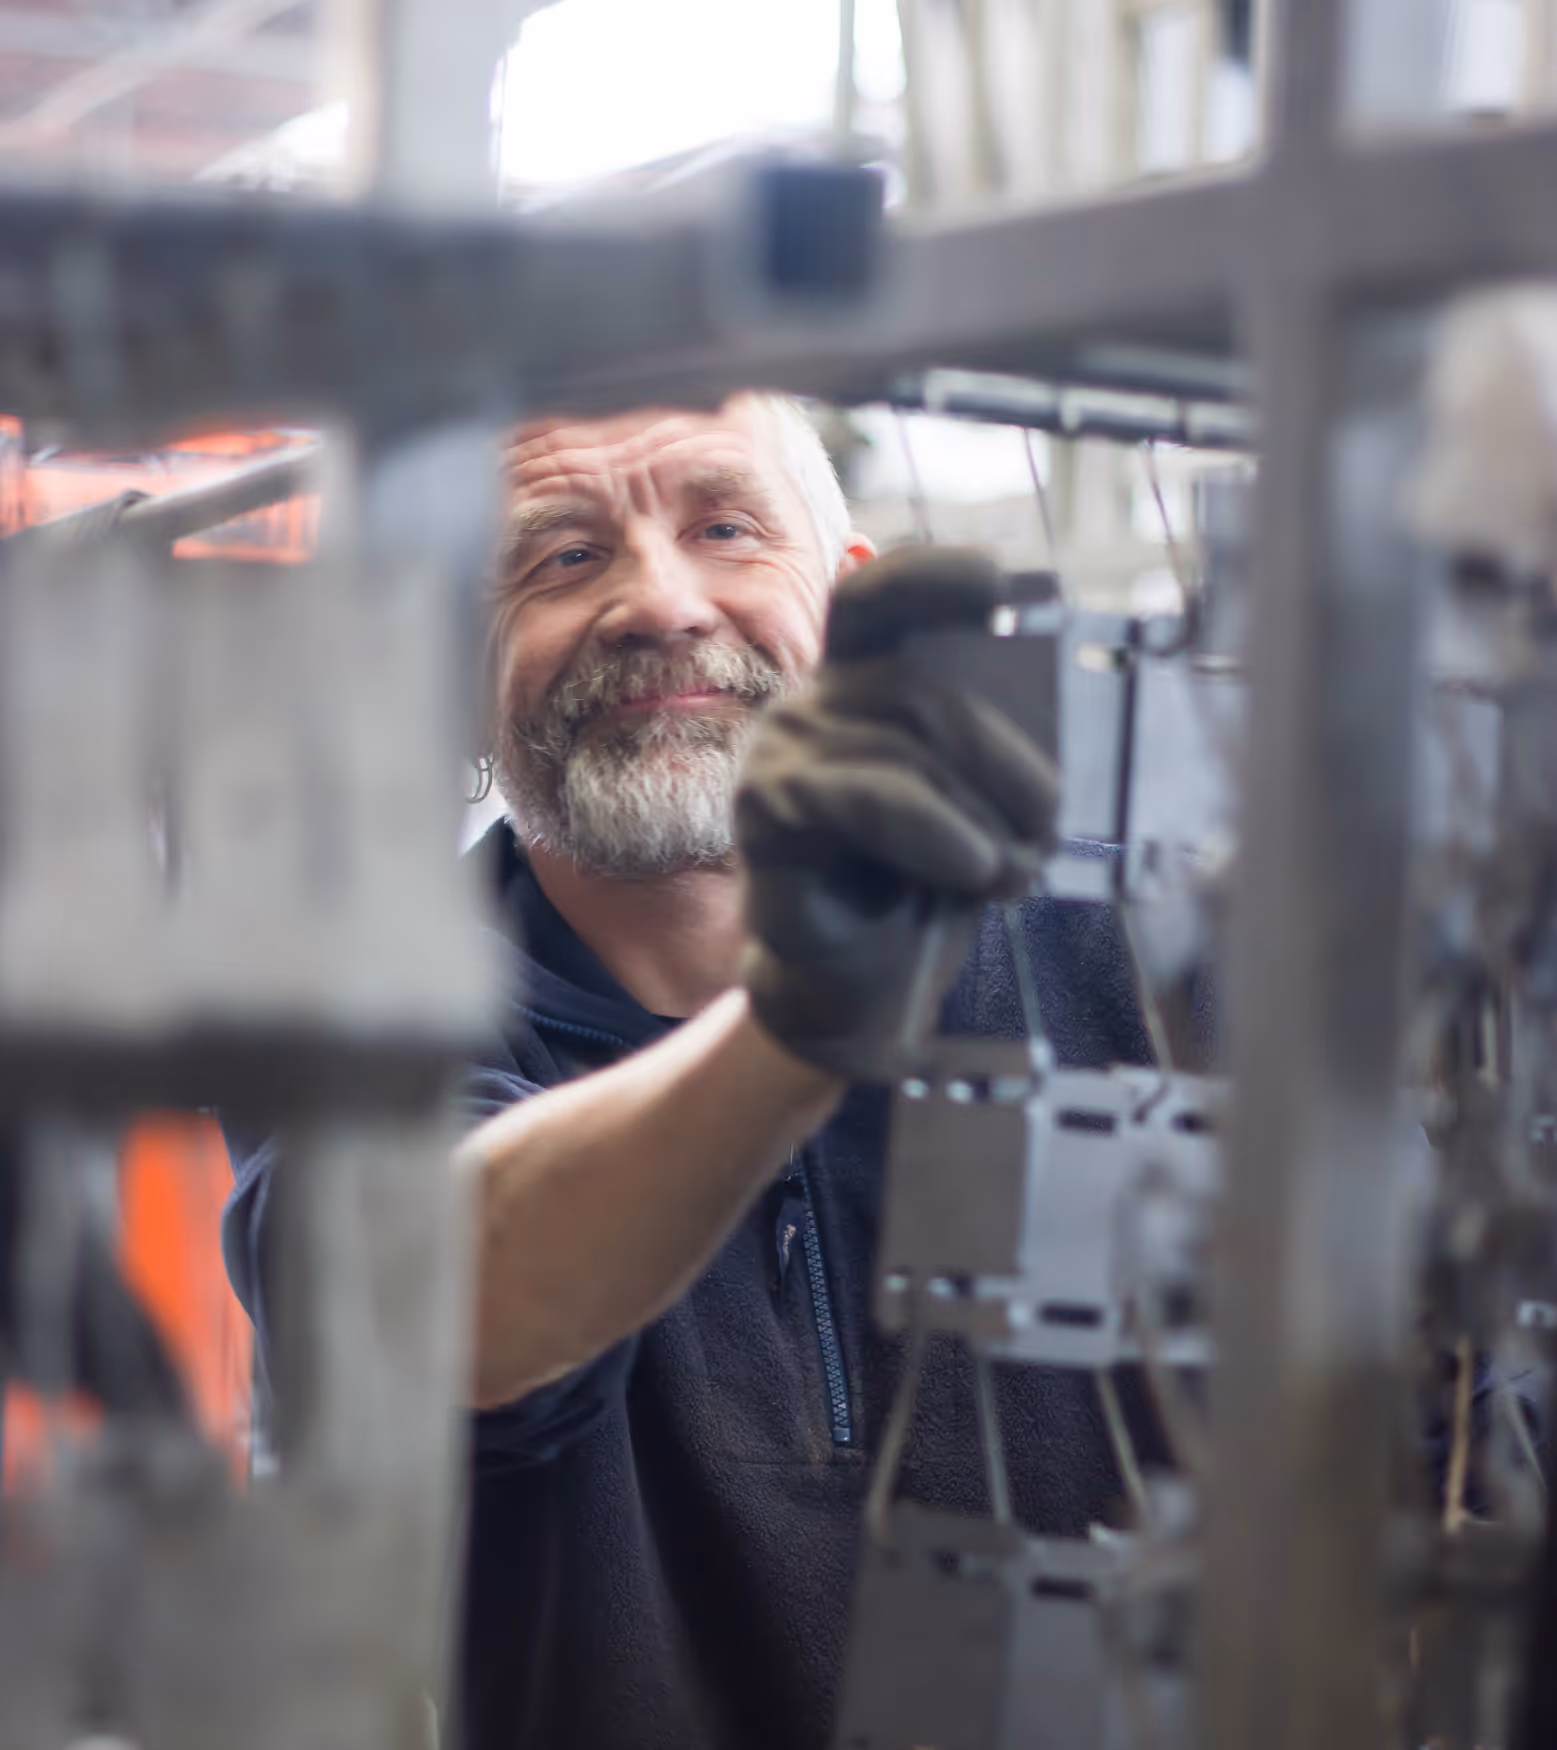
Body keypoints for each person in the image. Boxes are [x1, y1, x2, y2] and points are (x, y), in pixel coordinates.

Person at [222, 392, 1164, 1750]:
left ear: (847, 605)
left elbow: (1425, 1421)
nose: (659, 603)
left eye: (724, 526)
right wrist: (797, 1026)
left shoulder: (1124, 952)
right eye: (560, 554)